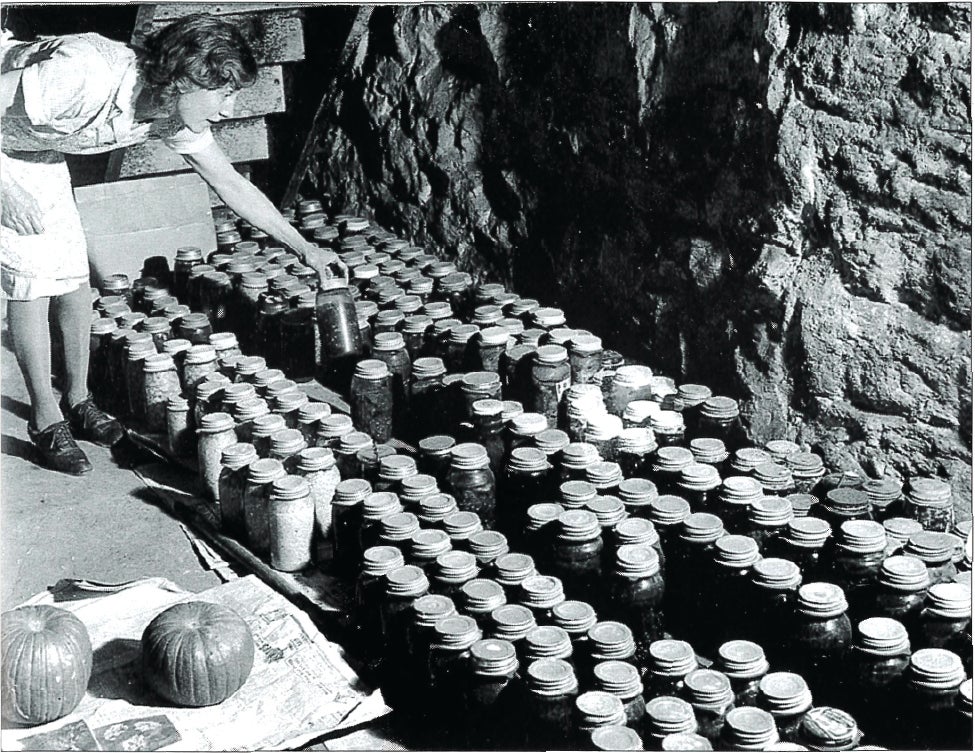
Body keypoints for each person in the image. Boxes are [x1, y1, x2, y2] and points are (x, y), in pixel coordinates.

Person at [1, 14, 338, 475]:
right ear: (185, 77)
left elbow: (230, 184)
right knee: (33, 280)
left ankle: (78, 400)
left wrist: (305, 248)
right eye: (223, 93)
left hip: (35, 146)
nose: (228, 109)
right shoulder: (85, 71)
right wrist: (6, 191)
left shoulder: (170, 114)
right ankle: (45, 422)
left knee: (74, 279)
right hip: (3, 146)